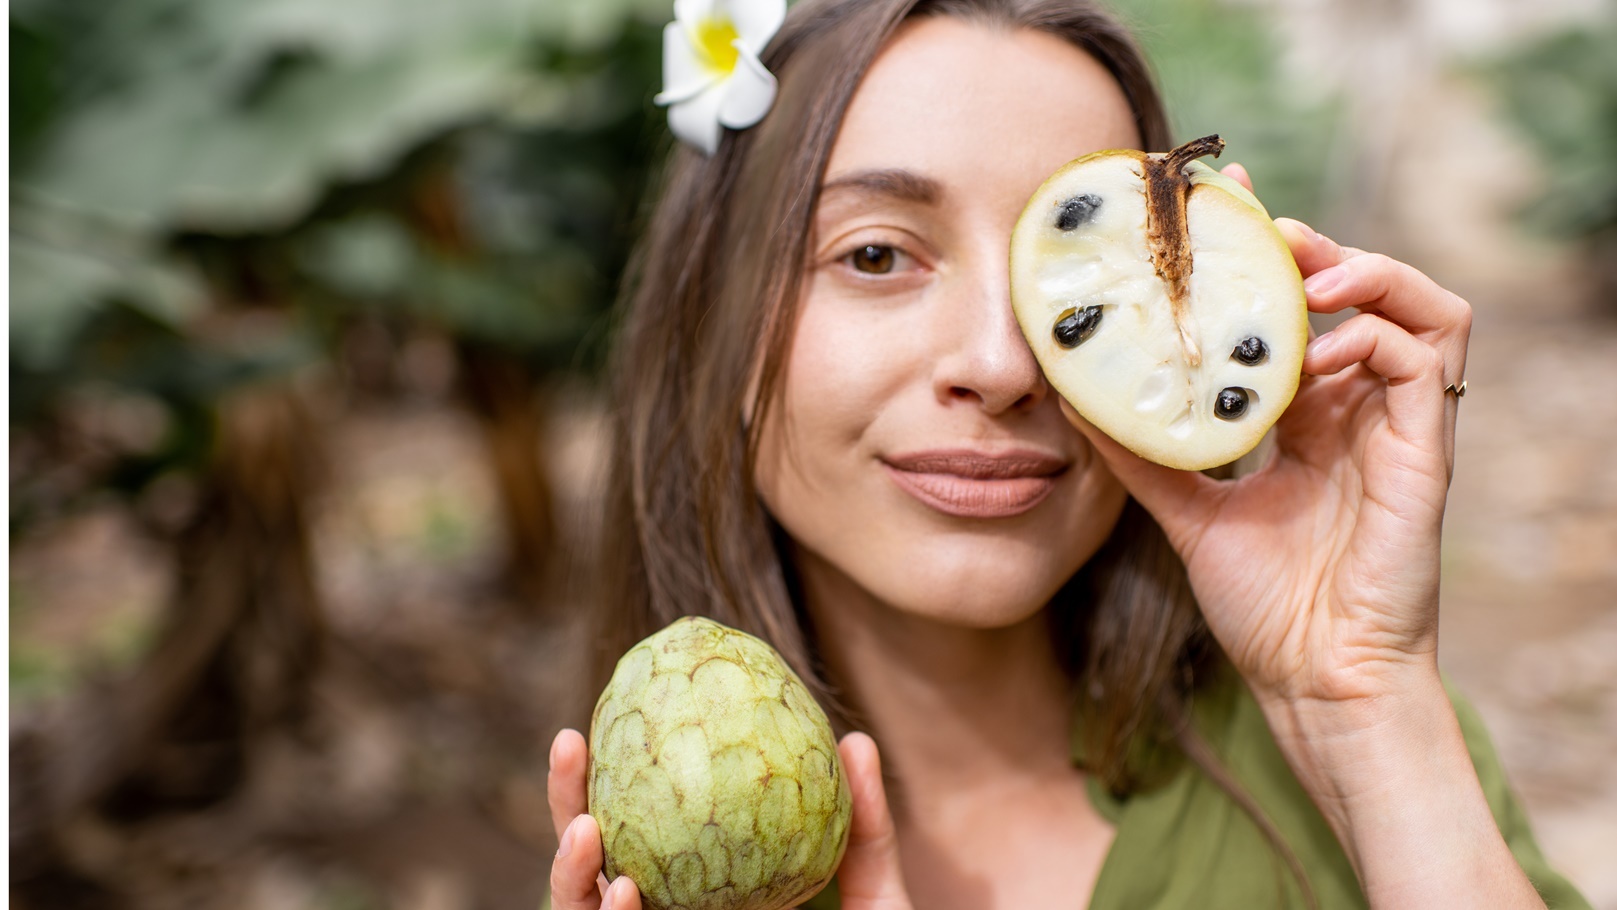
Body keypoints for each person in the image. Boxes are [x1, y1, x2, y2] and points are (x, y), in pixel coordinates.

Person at [544, 0, 1591, 907]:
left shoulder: (1369, 745)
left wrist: (1365, 708)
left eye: (1084, 270)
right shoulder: (658, 874)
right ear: (708, 315)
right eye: (876, 254)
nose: (1004, 363)